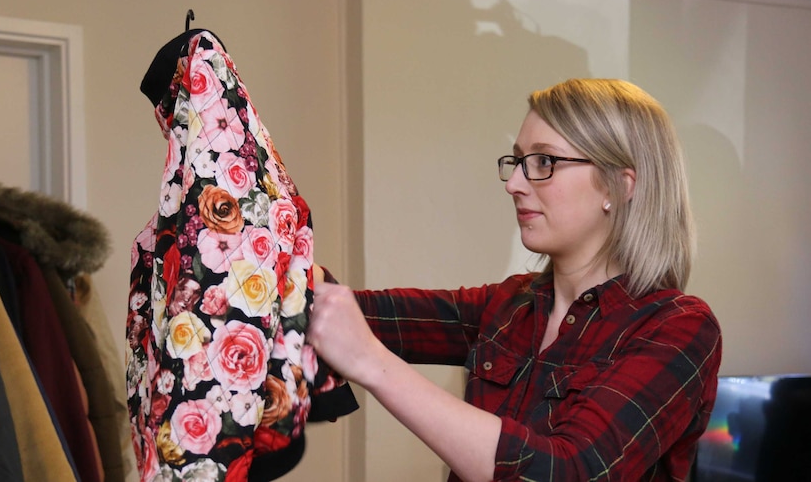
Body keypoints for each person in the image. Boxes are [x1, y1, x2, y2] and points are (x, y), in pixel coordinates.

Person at [307, 78, 723, 481]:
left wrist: (371, 364)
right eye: (518, 160)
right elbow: (353, 312)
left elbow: (569, 471)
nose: (513, 184)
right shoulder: (510, 304)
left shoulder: (680, 328)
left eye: (544, 161)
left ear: (619, 185)